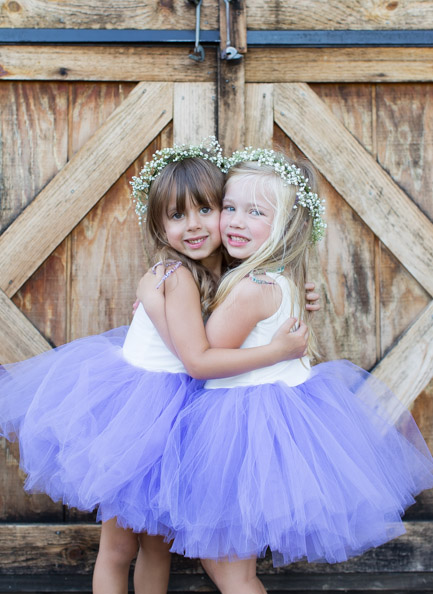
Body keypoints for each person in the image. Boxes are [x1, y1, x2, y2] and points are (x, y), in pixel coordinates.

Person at [0, 139, 319, 594]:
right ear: (158, 224)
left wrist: (308, 293)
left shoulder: (231, 269)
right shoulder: (176, 278)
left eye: (207, 209)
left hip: (179, 418)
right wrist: (154, 300)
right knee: (118, 548)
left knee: (155, 547)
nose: (193, 225)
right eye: (175, 216)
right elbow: (195, 359)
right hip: (139, 417)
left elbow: (250, 307)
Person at [141, 149, 433, 594]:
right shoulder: (277, 279)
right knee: (223, 565)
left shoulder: (249, 290)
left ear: (284, 226)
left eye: (254, 212)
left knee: (231, 571)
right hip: (269, 423)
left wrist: (154, 300)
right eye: (231, 207)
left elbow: (198, 357)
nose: (235, 221)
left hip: (237, 430)